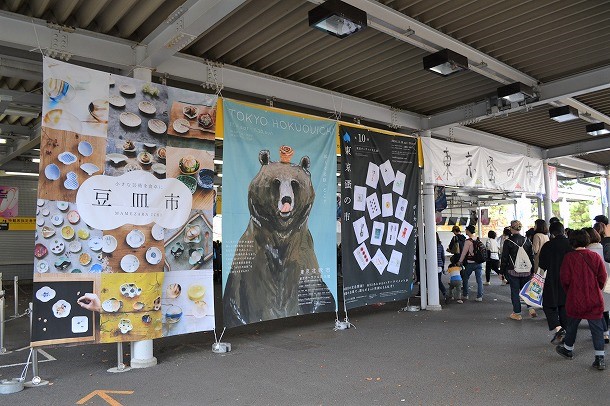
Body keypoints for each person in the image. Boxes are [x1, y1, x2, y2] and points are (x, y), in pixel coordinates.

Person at [556, 229, 607, 371]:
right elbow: (603, 277)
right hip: (594, 298)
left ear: (572, 242)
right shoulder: (595, 257)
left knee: (572, 324)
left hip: (575, 297)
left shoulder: (569, 258)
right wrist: (596, 289)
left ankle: (568, 349)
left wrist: (571, 292)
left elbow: (564, 279)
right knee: (597, 328)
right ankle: (600, 358)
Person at [539, 222, 572, 345]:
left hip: (552, 279)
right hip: (568, 280)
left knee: (548, 305)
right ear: (563, 231)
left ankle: (559, 329)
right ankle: (565, 333)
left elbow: (542, 264)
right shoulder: (571, 245)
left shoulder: (548, 245)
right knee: (564, 305)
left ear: (552, 233)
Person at [500, 220, 535, 320]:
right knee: (526, 290)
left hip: (513, 270)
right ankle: (531, 307)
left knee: (515, 291)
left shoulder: (508, 241)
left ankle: (517, 313)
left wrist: (501, 272)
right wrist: (532, 271)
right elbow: (531, 256)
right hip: (526, 270)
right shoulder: (527, 240)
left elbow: (505, 258)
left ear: (511, 228)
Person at [592, 223, 610, 344]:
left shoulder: (592, 248)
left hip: (599, 279)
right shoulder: (605, 243)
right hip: (608, 278)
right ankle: (606, 331)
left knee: (600, 305)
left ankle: (603, 332)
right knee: (606, 305)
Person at [457, 225, 483, 302]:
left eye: (466, 230)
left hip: (470, 263)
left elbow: (464, 253)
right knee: (479, 280)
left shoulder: (468, 241)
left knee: (465, 278)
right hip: (478, 262)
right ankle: (479, 296)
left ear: (468, 231)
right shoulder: (477, 239)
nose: (465, 231)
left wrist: (460, 261)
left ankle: (465, 295)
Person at [436, 232, 447, 302]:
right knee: (438, 281)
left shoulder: (427, 246)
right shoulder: (440, 246)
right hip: (439, 265)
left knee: (434, 281)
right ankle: (444, 293)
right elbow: (443, 256)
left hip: (431, 266)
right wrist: (443, 266)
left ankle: (444, 292)